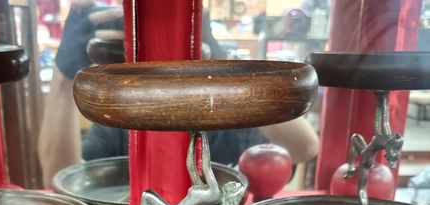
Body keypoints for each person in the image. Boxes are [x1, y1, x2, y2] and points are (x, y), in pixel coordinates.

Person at [38, 0, 320, 188]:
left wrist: (227, 71)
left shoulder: (233, 113)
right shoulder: (127, 115)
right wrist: (64, 75)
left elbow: (304, 147)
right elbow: (58, 176)